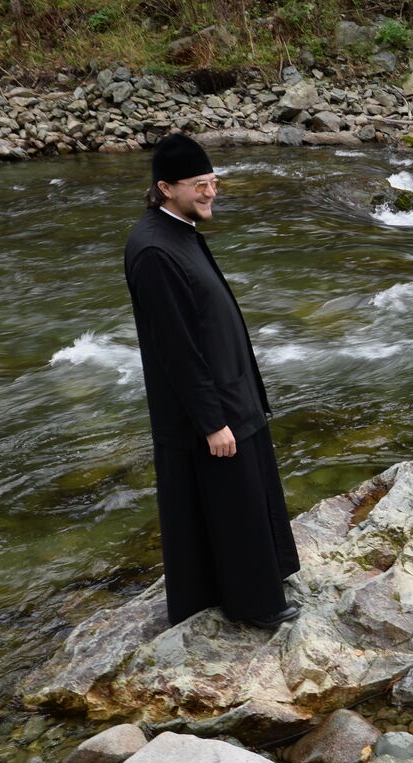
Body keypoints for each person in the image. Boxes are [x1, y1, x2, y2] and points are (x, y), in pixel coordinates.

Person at [123, 134, 300, 629]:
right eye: (199, 185)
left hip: (230, 391)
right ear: (165, 188)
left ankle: (264, 582)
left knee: (245, 494)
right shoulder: (155, 251)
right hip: (208, 409)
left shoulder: (178, 230)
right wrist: (211, 421)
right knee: (230, 505)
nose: (210, 192)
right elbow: (175, 349)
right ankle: (255, 607)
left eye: (214, 181)